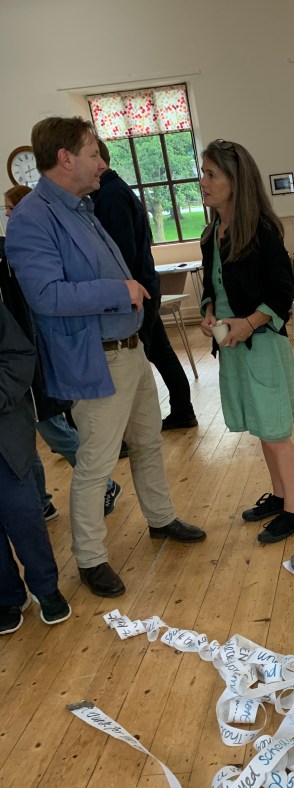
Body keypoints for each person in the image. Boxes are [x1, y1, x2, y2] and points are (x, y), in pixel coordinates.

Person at [5, 116, 206, 599]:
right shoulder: (32, 219)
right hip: (95, 358)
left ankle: (160, 519)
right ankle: (92, 558)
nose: (102, 163)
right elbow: (46, 295)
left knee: (148, 442)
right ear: (65, 158)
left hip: (129, 349)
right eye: (94, 154)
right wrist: (118, 291)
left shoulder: (81, 207)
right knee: (95, 463)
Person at [198, 139, 294, 544]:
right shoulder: (211, 233)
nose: (202, 181)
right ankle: (279, 498)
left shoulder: (261, 229)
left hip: (261, 346)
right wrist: (209, 312)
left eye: (211, 174)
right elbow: (211, 287)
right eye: (203, 172)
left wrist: (247, 323)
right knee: (263, 429)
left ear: (235, 182)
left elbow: (282, 292)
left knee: (276, 433)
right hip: (233, 348)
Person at [3, 184, 122, 522]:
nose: (8, 214)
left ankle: (105, 486)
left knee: (51, 429)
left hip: (32, 357)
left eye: (10, 208)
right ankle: (41, 499)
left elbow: (43, 302)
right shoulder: (14, 251)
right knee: (39, 431)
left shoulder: (19, 250)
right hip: (28, 357)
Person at [91, 140, 198, 429]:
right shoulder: (115, 191)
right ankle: (182, 411)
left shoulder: (110, 195)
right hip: (142, 288)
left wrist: (118, 293)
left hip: (134, 293)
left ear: (98, 160)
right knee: (160, 353)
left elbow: (119, 254)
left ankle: (139, 427)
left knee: (139, 359)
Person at [0, 297, 71, 633]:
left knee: (24, 515)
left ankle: (46, 588)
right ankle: (8, 596)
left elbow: (18, 355)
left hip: (5, 437)